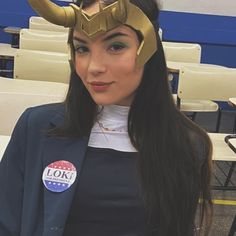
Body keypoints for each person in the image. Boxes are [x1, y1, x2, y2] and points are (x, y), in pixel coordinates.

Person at [0, 0, 213, 235]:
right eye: (82, 48)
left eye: (116, 46)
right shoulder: (37, 127)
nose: (94, 67)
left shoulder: (187, 145)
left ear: (148, 48)